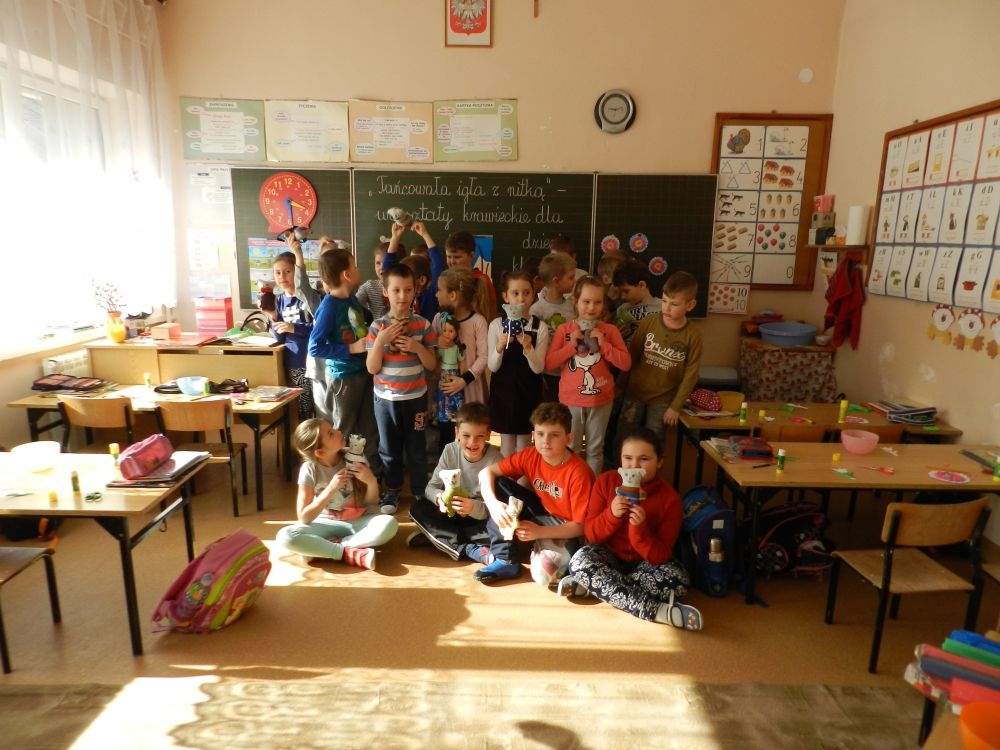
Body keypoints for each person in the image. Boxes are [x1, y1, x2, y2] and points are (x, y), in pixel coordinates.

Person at [561, 427, 702, 630]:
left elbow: (660, 555)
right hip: (608, 556)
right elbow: (592, 535)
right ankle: (658, 611)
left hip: (645, 563)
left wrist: (639, 530)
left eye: (644, 459)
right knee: (579, 562)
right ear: (620, 459)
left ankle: (597, 587)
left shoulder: (670, 499)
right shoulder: (606, 482)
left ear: (659, 461)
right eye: (627, 458)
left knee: (678, 581)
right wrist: (611, 514)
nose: (634, 466)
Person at [475, 402, 595, 584]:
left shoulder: (579, 472)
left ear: (568, 438)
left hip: (568, 527)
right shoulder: (531, 455)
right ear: (533, 435)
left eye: (554, 435)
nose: (546, 441)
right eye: (540, 434)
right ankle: (506, 560)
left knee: (544, 576)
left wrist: (539, 532)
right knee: (499, 484)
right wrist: (493, 505)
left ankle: (535, 545)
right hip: (543, 512)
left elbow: (580, 527)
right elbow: (486, 472)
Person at [275, 419, 398, 570]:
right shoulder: (309, 469)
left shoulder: (354, 457)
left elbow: (371, 501)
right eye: (331, 434)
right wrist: (330, 489)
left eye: (333, 429)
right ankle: (346, 552)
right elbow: (304, 517)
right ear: (320, 452)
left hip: (360, 521)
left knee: (389, 524)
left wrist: (371, 481)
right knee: (285, 536)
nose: (338, 431)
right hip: (326, 524)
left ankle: (325, 550)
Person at [366, 263, 438, 514]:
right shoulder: (377, 327)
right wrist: (381, 342)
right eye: (396, 290)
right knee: (389, 449)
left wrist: (417, 348)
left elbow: (432, 365)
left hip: (415, 398)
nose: (402, 296)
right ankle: (392, 490)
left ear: (415, 291)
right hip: (386, 400)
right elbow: (372, 368)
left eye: (408, 290)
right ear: (386, 292)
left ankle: (420, 490)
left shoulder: (423, 325)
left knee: (417, 447)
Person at [544, 275, 631, 476]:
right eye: (586, 301)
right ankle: (571, 486)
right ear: (575, 301)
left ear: (603, 304)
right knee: (570, 448)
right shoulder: (565, 330)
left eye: (597, 302)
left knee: (595, 449)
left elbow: (625, 363)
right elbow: (549, 363)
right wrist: (570, 346)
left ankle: (592, 488)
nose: (591, 307)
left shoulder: (609, 331)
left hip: (601, 401)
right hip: (571, 401)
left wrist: (604, 345)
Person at [307, 244, 382, 469]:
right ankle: (341, 478)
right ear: (347, 275)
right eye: (355, 266)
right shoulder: (329, 306)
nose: (359, 269)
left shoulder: (351, 300)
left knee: (368, 427)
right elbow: (315, 347)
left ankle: (369, 475)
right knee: (343, 431)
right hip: (344, 379)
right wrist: (350, 349)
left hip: (363, 372)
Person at [408, 402, 503, 561]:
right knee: (418, 508)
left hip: (478, 519)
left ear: (488, 435)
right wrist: (440, 499)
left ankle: (440, 538)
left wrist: (473, 508)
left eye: (479, 436)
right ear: (457, 433)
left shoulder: (496, 459)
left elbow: (497, 507)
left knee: (502, 531)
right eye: (466, 436)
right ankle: (468, 548)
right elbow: (431, 488)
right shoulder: (450, 450)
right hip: (451, 513)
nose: (472, 443)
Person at [619, 270, 702, 446]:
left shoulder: (693, 335)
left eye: (674, 304)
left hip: (664, 399)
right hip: (635, 392)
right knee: (624, 436)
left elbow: (691, 374)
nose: (666, 308)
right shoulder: (649, 322)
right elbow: (631, 357)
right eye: (664, 301)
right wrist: (619, 386)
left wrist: (676, 406)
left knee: (655, 441)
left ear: (690, 305)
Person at [487, 270, 549, 457]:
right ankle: (506, 476)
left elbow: (538, 368)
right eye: (515, 293)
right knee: (506, 446)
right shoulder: (497, 325)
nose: (521, 298)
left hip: (528, 392)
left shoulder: (540, 327)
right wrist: (499, 347)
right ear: (505, 296)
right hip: (503, 393)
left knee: (524, 446)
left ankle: (522, 476)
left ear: (533, 295)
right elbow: (492, 366)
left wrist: (528, 348)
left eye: (526, 293)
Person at [432, 267, 489, 449]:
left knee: (471, 437)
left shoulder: (477, 321)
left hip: (470, 391)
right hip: (446, 392)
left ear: (453, 295)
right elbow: (430, 351)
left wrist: (464, 380)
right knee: (446, 437)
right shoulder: (439, 319)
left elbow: (484, 356)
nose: (436, 294)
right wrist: (435, 343)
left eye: (439, 290)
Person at [265, 250, 314, 420]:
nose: (282, 277)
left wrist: (295, 328)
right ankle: (307, 437)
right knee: (304, 406)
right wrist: (273, 317)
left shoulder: (309, 297)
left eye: (287, 271)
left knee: (321, 406)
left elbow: (319, 328)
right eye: (277, 273)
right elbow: (279, 338)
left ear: (297, 272)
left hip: (314, 359)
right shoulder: (278, 301)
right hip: (295, 361)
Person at [529, 253, 577, 399]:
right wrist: (538, 374)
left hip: (570, 371)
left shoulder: (573, 306)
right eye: (571, 277)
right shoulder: (537, 310)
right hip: (547, 373)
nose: (574, 281)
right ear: (556, 281)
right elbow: (531, 344)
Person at [386, 221, 445, 322]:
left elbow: (438, 265)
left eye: (407, 275)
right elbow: (389, 271)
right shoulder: (402, 294)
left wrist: (425, 234)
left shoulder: (431, 293)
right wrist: (395, 238)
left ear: (422, 280)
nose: (402, 278)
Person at [444, 229, 496, 320]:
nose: (452, 262)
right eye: (449, 257)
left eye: (457, 257)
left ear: (471, 256)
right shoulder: (445, 279)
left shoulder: (482, 280)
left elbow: (490, 314)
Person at [612, 259, 663, 345]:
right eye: (620, 292)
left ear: (642, 285)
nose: (622, 297)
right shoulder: (622, 309)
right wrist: (616, 335)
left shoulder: (663, 306)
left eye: (626, 291)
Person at [435, 312, 465, 427]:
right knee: (444, 393)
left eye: (451, 331)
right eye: (444, 330)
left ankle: (458, 415)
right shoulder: (441, 347)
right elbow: (436, 359)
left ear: (456, 333)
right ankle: (443, 416)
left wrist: (462, 376)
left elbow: (462, 361)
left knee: (456, 394)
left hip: (455, 373)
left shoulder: (457, 347)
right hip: (444, 373)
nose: (447, 334)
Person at [355, 241, 397, 322]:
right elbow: (354, 304)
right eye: (378, 263)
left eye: (385, 263)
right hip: (377, 328)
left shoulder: (403, 287)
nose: (381, 267)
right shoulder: (369, 286)